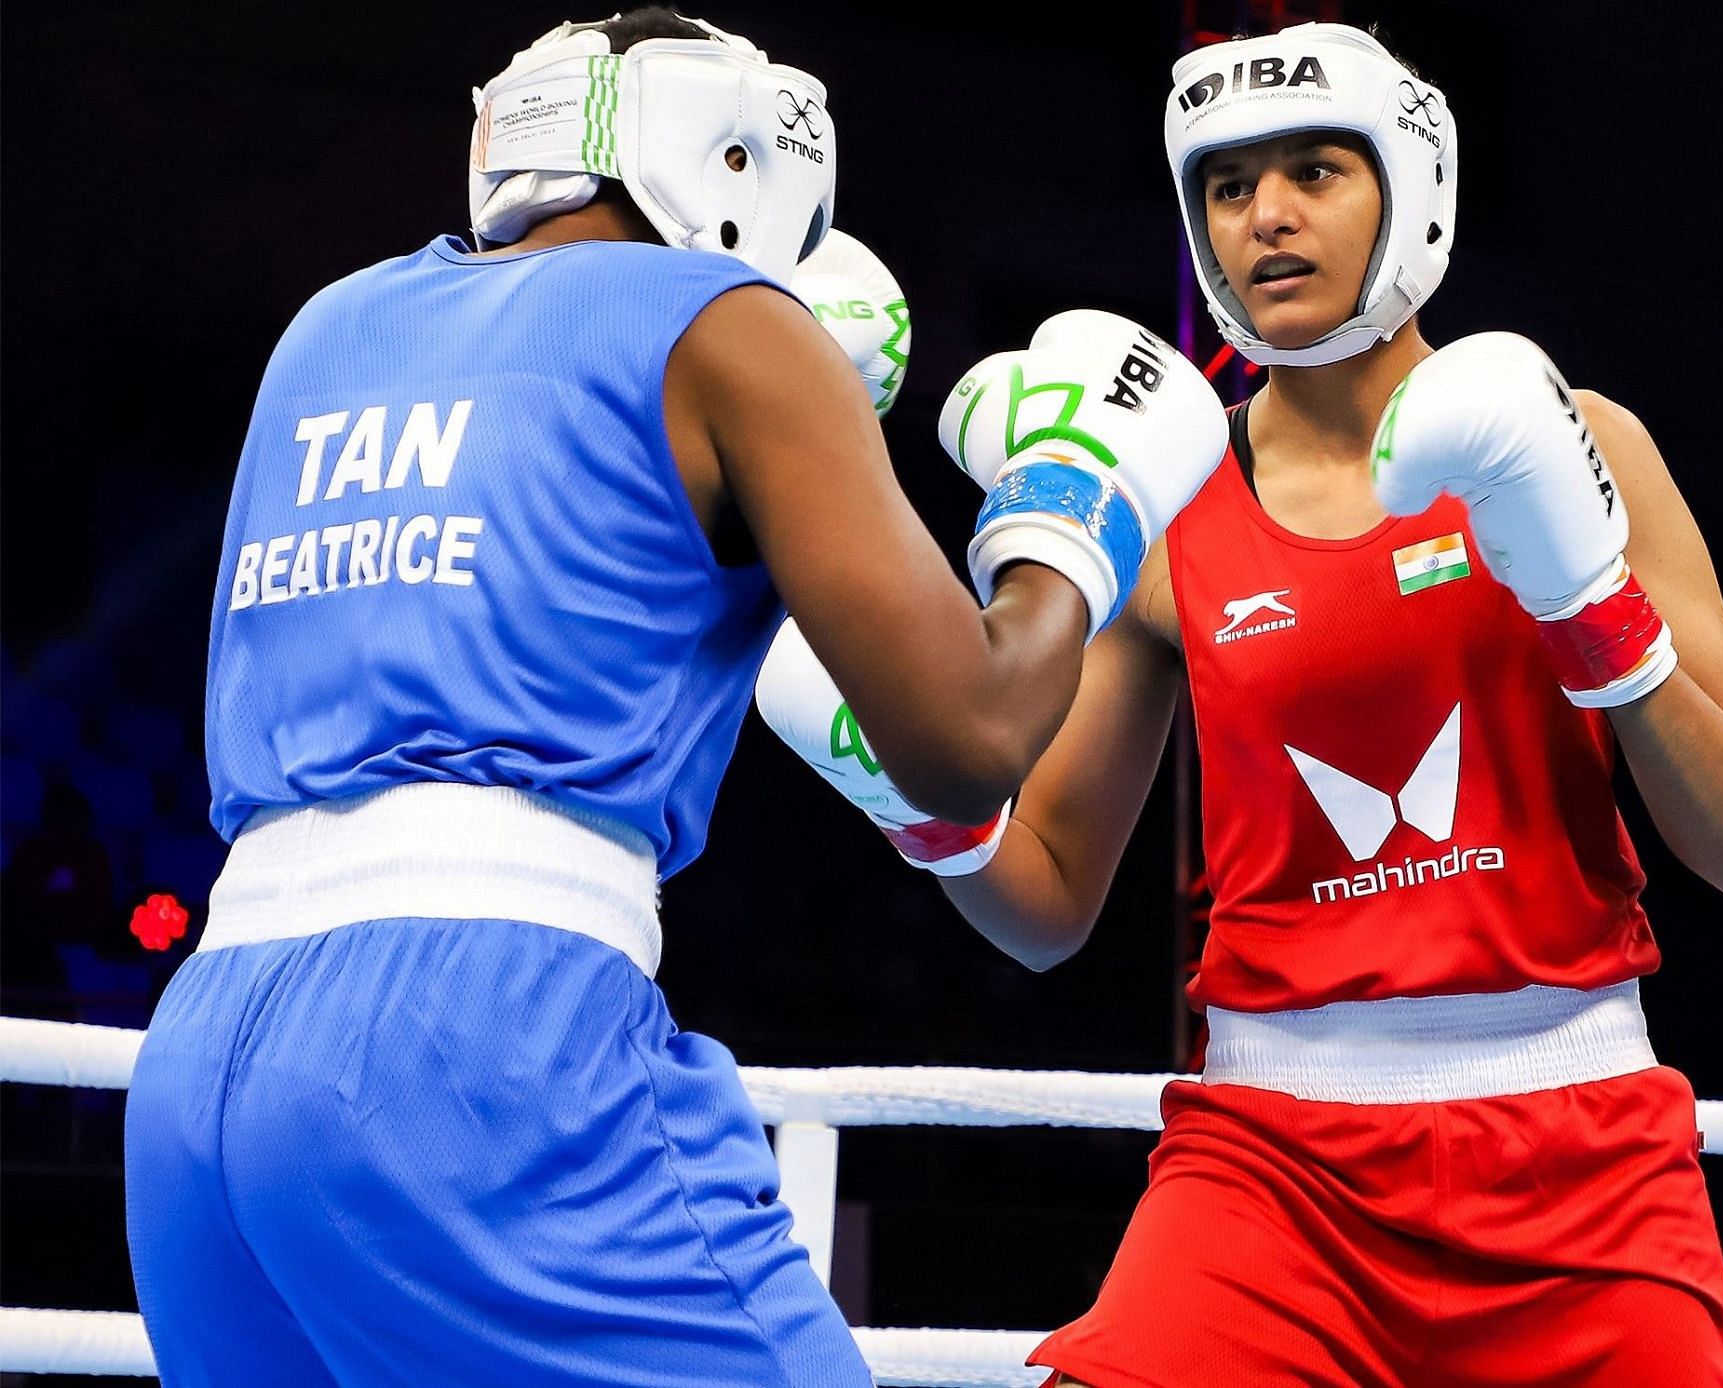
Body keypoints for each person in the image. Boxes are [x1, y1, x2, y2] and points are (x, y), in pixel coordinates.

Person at [120, 9, 1228, 1386]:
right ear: (738, 155)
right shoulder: (731, 325)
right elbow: (975, 739)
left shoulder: (328, 331)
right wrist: (1078, 501)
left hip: (206, 1065)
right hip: (482, 1049)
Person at [757, 22, 1723, 1387]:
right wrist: (921, 809)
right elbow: (1050, 904)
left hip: (1580, 1151)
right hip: (1272, 1166)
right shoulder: (1170, 497)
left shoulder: (1583, 438)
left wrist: (1589, 603)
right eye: (1229, 186)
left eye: (1316, 169)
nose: (1270, 215)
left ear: (1409, 188)